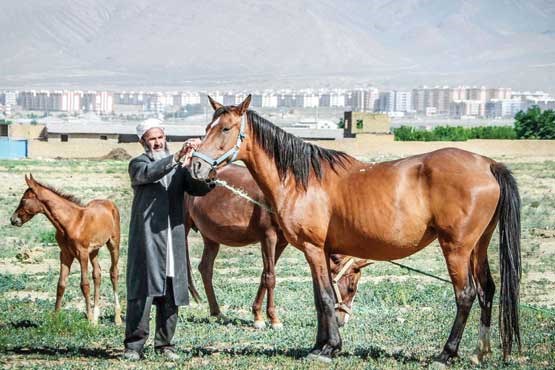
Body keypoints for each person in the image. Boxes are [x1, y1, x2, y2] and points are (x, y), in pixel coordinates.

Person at [123, 118, 212, 360]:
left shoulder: (178, 168)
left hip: (173, 237)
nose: (157, 142)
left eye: (160, 138)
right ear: (142, 141)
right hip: (148, 238)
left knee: (172, 291)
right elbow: (150, 173)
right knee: (143, 291)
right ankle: (134, 346)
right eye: (152, 139)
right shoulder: (138, 164)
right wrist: (176, 158)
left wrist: (205, 170)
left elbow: (196, 187)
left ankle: (165, 345)